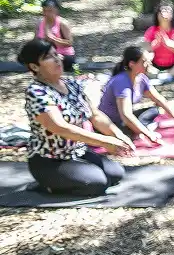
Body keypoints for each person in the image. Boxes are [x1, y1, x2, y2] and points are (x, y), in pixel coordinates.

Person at [17, 39, 136, 196]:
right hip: (49, 160)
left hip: (76, 153)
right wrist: (105, 142)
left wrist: (119, 136)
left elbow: (95, 115)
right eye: (48, 57)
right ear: (34, 67)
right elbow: (60, 127)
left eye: (56, 54)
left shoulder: (72, 84)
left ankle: (67, 179)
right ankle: (46, 184)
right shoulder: (37, 92)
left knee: (116, 173)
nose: (57, 59)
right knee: (97, 183)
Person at [98, 47, 174, 143]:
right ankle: (138, 132)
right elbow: (126, 116)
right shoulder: (121, 82)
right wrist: (149, 135)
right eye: (144, 62)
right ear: (132, 64)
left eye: (148, 61)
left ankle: (140, 130)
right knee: (133, 124)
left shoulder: (141, 78)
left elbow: (158, 99)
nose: (148, 65)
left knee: (155, 110)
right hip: (110, 124)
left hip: (122, 121)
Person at [144, 2, 174, 78]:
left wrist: (168, 43)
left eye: (168, 10)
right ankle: (160, 75)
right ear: (157, 14)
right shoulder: (151, 30)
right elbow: (145, 49)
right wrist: (154, 45)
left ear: (172, 15)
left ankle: (166, 75)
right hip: (156, 65)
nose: (164, 13)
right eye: (162, 10)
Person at [35, 0, 76, 73]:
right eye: (44, 11)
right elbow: (35, 42)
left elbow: (69, 43)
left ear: (56, 11)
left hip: (63, 55)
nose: (46, 14)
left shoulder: (62, 23)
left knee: (55, 61)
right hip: (46, 55)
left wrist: (53, 39)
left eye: (50, 11)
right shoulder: (40, 23)